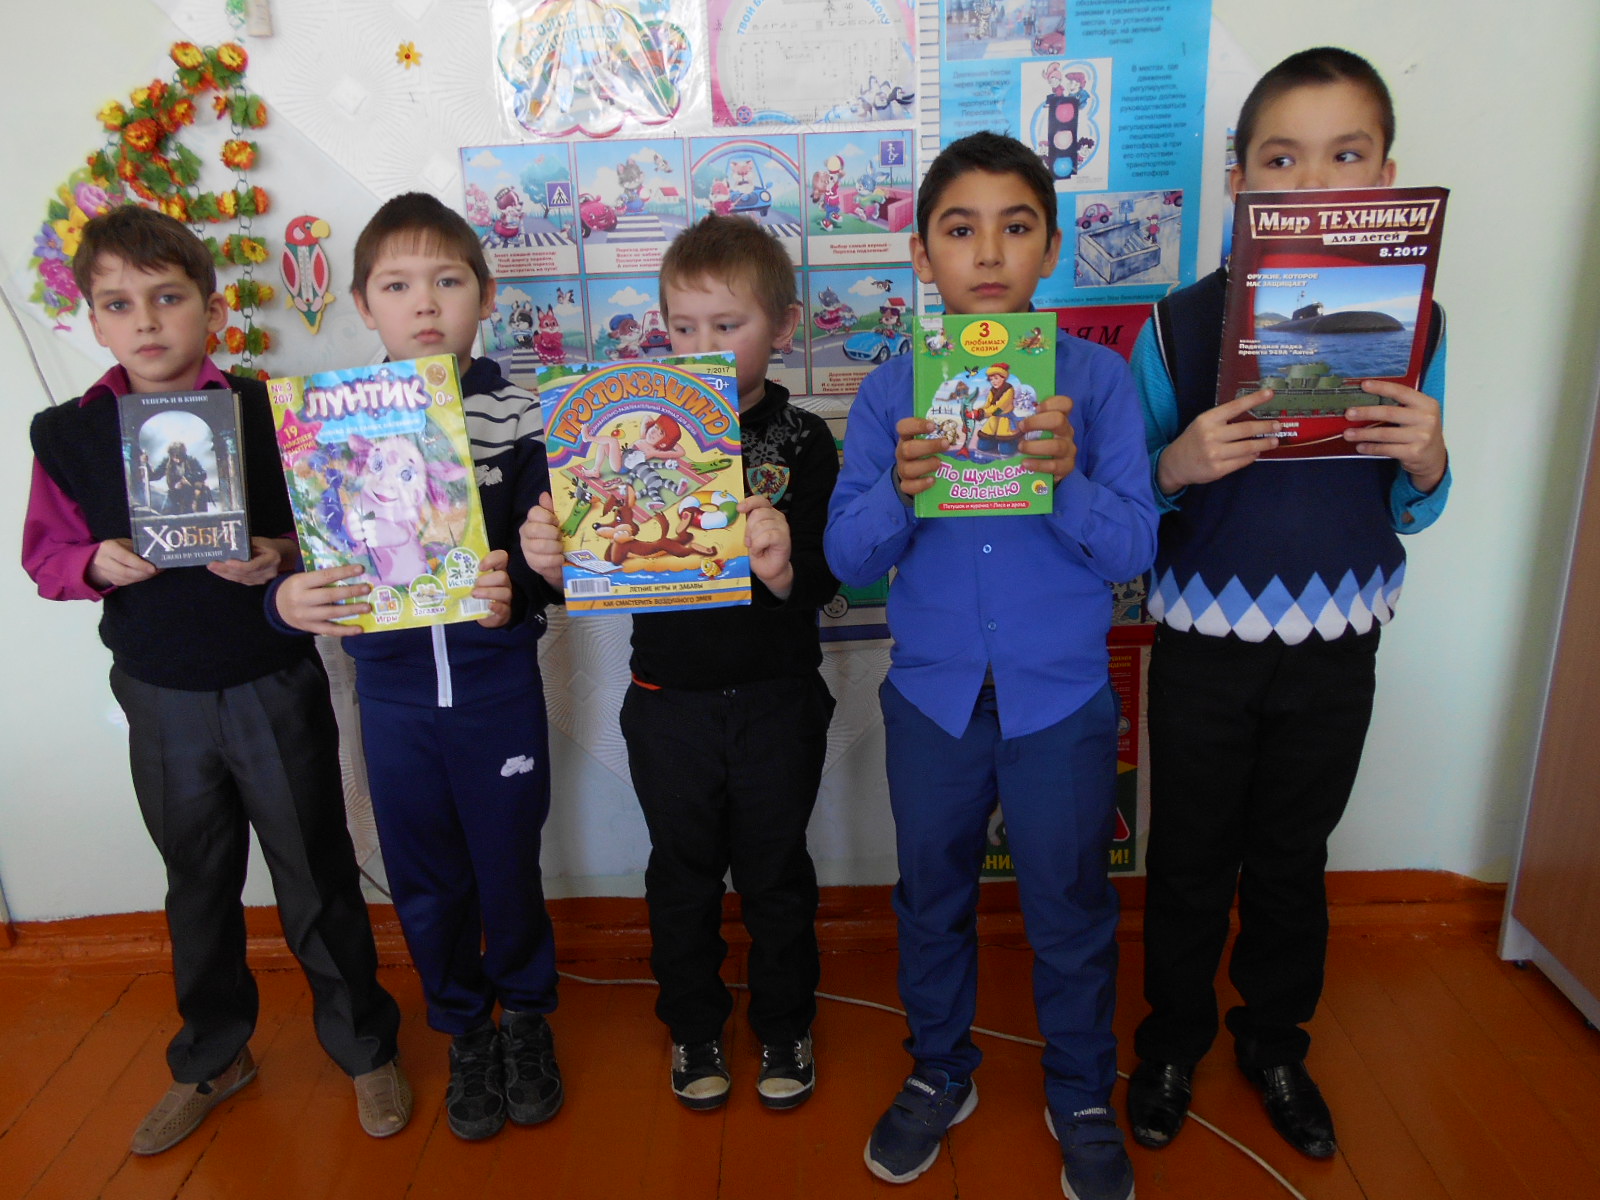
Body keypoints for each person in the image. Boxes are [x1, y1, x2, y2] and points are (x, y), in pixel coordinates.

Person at [21, 205, 407, 1154]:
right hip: (160, 693)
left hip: (270, 678)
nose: (146, 321)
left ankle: (364, 1047)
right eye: (119, 304)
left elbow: (334, 532)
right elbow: (44, 556)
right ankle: (214, 1055)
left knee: (315, 870)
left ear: (212, 308)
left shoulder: (271, 412)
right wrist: (93, 562)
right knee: (196, 881)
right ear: (93, 320)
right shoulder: (68, 433)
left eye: (167, 298)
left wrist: (276, 552)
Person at [1126, 48, 1450, 1162]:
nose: (1313, 183)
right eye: (1281, 159)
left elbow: (1414, 507)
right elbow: (1128, 504)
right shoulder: (1174, 326)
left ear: (1387, 178)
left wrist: (1428, 459)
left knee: (1292, 856)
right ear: (1237, 181)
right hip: (1204, 640)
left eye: (1344, 157)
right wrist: (1176, 466)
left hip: (1337, 638)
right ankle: (1171, 1042)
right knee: (1188, 858)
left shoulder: (1419, 323)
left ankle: (1274, 1042)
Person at [825, 131, 1157, 1200]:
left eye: (1015, 227)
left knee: (1069, 902)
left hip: (1060, 699)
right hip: (933, 699)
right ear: (922, 254)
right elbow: (847, 560)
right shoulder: (891, 393)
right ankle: (939, 1070)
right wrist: (900, 488)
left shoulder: (1095, 384)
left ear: (1050, 248)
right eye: (958, 229)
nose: (987, 251)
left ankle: (1082, 1091)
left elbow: (1133, 548)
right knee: (931, 898)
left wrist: (1065, 480)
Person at [522, 213, 839, 1113]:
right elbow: (591, 569)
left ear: (783, 326)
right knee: (681, 876)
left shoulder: (804, 439)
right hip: (668, 702)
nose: (702, 346)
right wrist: (553, 560)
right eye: (683, 327)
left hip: (779, 698)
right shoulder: (621, 435)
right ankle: (694, 1025)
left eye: (727, 324)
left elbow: (827, 579)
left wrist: (780, 566)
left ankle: (784, 1023)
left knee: (777, 875)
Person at [269, 193, 566, 1142]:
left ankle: (526, 1019)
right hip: (393, 701)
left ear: (485, 295)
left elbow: (550, 559)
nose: (425, 303)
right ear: (364, 304)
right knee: (425, 878)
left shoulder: (521, 413)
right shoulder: (329, 424)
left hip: (497, 691)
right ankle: (465, 1029)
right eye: (397, 286)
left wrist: (527, 581)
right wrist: (286, 597)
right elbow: (305, 559)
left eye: (447, 281)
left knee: (508, 866)